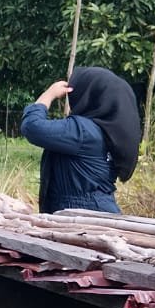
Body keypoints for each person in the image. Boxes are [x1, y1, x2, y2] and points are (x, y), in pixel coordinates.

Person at [21, 67, 141, 214]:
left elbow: (32, 127)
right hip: (101, 210)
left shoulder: (82, 131)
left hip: (79, 213)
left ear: (88, 95)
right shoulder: (110, 133)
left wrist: (48, 95)